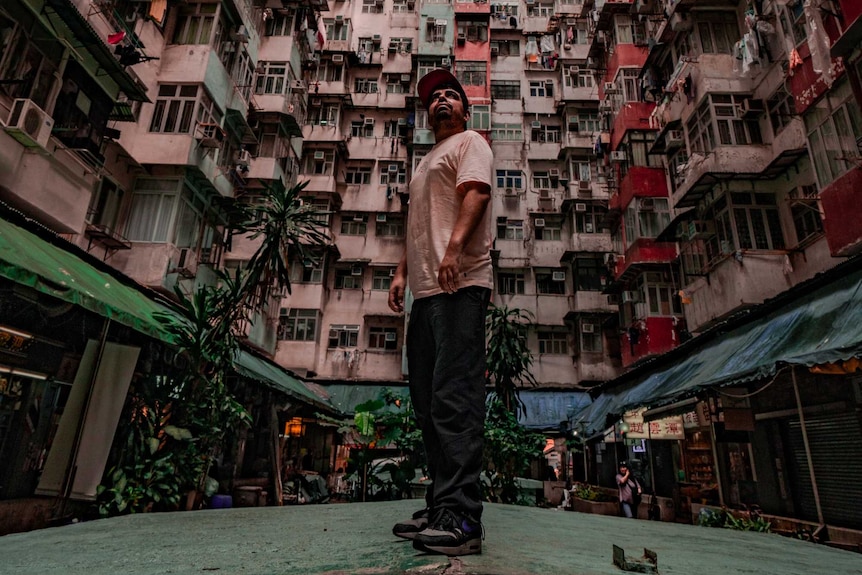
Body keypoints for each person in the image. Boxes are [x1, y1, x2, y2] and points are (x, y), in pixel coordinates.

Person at [388, 68, 493, 557]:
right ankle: (440, 505)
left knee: (455, 399)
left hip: (461, 286)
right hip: (427, 295)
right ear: (427, 113)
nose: (442, 101)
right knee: (429, 405)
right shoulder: (425, 162)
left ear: (464, 110)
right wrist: (401, 275)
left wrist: (453, 251)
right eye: (434, 98)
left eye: (451, 95)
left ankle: (463, 519)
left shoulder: (471, 142)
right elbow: (416, 225)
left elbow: (476, 195)